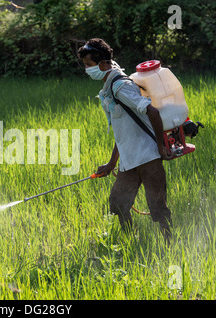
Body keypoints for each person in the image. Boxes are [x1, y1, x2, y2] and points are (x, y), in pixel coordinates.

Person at [78, 38, 175, 244]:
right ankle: (132, 242)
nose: (86, 69)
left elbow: (152, 112)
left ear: (103, 64)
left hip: (148, 157)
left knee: (157, 207)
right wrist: (111, 163)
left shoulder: (120, 86)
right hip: (130, 161)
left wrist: (160, 146)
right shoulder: (109, 87)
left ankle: (170, 245)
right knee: (118, 204)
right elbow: (122, 131)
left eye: (88, 65)